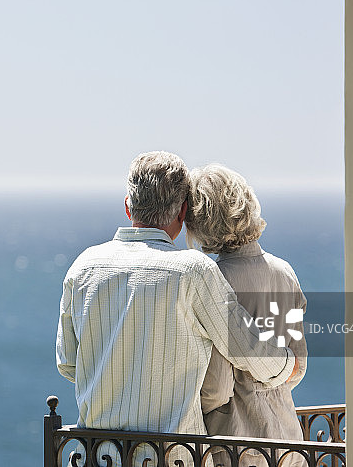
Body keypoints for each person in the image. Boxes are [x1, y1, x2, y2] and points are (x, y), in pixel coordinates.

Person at [56, 151, 298, 467]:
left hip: (99, 456)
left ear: (128, 205)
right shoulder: (193, 271)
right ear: (183, 212)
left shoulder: (83, 266)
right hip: (173, 457)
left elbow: (68, 364)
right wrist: (286, 365)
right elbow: (246, 348)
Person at [187, 164, 307, 467]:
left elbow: (216, 387)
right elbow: (298, 366)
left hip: (237, 442)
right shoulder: (285, 272)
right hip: (289, 438)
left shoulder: (214, 280)